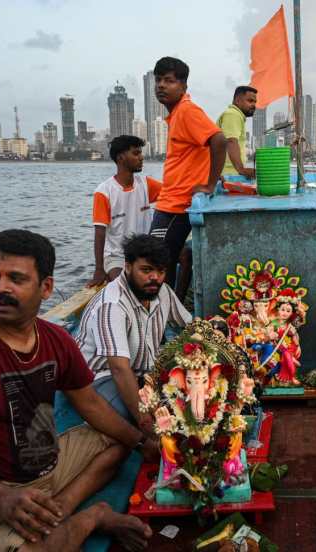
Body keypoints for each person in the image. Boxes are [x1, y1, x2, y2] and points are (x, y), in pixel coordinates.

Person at [0, 229, 154, 552]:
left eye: (15, 279)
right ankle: (90, 518)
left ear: (47, 288)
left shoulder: (55, 340)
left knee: (119, 441)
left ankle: (59, 509)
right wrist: (0, 497)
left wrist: (142, 442)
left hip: (47, 469)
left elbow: (91, 405)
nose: (0, 288)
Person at [76, 234, 191, 423]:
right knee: (139, 417)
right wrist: (144, 421)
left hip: (142, 371)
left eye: (161, 271)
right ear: (127, 267)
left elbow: (189, 325)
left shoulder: (161, 292)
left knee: (193, 391)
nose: (154, 278)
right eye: (146, 270)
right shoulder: (112, 304)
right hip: (100, 377)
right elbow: (119, 369)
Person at [148, 56, 227, 300]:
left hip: (175, 206)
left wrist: (210, 183)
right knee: (165, 263)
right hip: (170, 202)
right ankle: (168, 313)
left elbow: (219, 140)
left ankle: (159, 320)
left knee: (155, 264)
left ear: (183, 86)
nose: (161, 85)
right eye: (158, 80)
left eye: (169, 81)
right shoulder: (178, 114)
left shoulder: (187, 111)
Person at [87, 135, 162, 287]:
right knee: (122, 283)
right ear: (121, 158)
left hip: (145, 254)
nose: (141, 157)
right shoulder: (104, 191)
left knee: (183, 257)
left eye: (141, 153)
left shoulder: (146, 184)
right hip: (117, 257)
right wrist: (99, 269)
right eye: (136, 153)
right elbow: (100, 233)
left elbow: (175, 190)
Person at [217, 85, 258, 181]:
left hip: (229, 174)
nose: (254, 105)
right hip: (228, 175)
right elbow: (231, 141)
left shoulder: (235, 115)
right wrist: (241, 169)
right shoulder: (233, 114)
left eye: (255, 102)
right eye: (250, 101)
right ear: (237, 101)